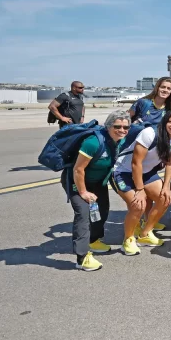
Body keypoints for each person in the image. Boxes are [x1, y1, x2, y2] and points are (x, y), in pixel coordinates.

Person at [62, 110, 130, 271]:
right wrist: (83, 192)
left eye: (126, 127)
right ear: (108, 127)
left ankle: (93, 240)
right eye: (117, 126)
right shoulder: (93, 143)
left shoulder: (119, 140)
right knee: (83, 215)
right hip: (77, 182)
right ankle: (82, 257)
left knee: (103, 211)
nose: (122, 130)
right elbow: (78, 169)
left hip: (97, 182)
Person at [111, 110, 171, 255]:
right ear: (164, 121)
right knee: (138, 205)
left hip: (147, 172)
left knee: (165, 198)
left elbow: (170, 164)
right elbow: (136, 163)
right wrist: (140, 189)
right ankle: (128, 240)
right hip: (123, 171)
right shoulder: (150, 133)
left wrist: (166, 187)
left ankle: (145, 234)